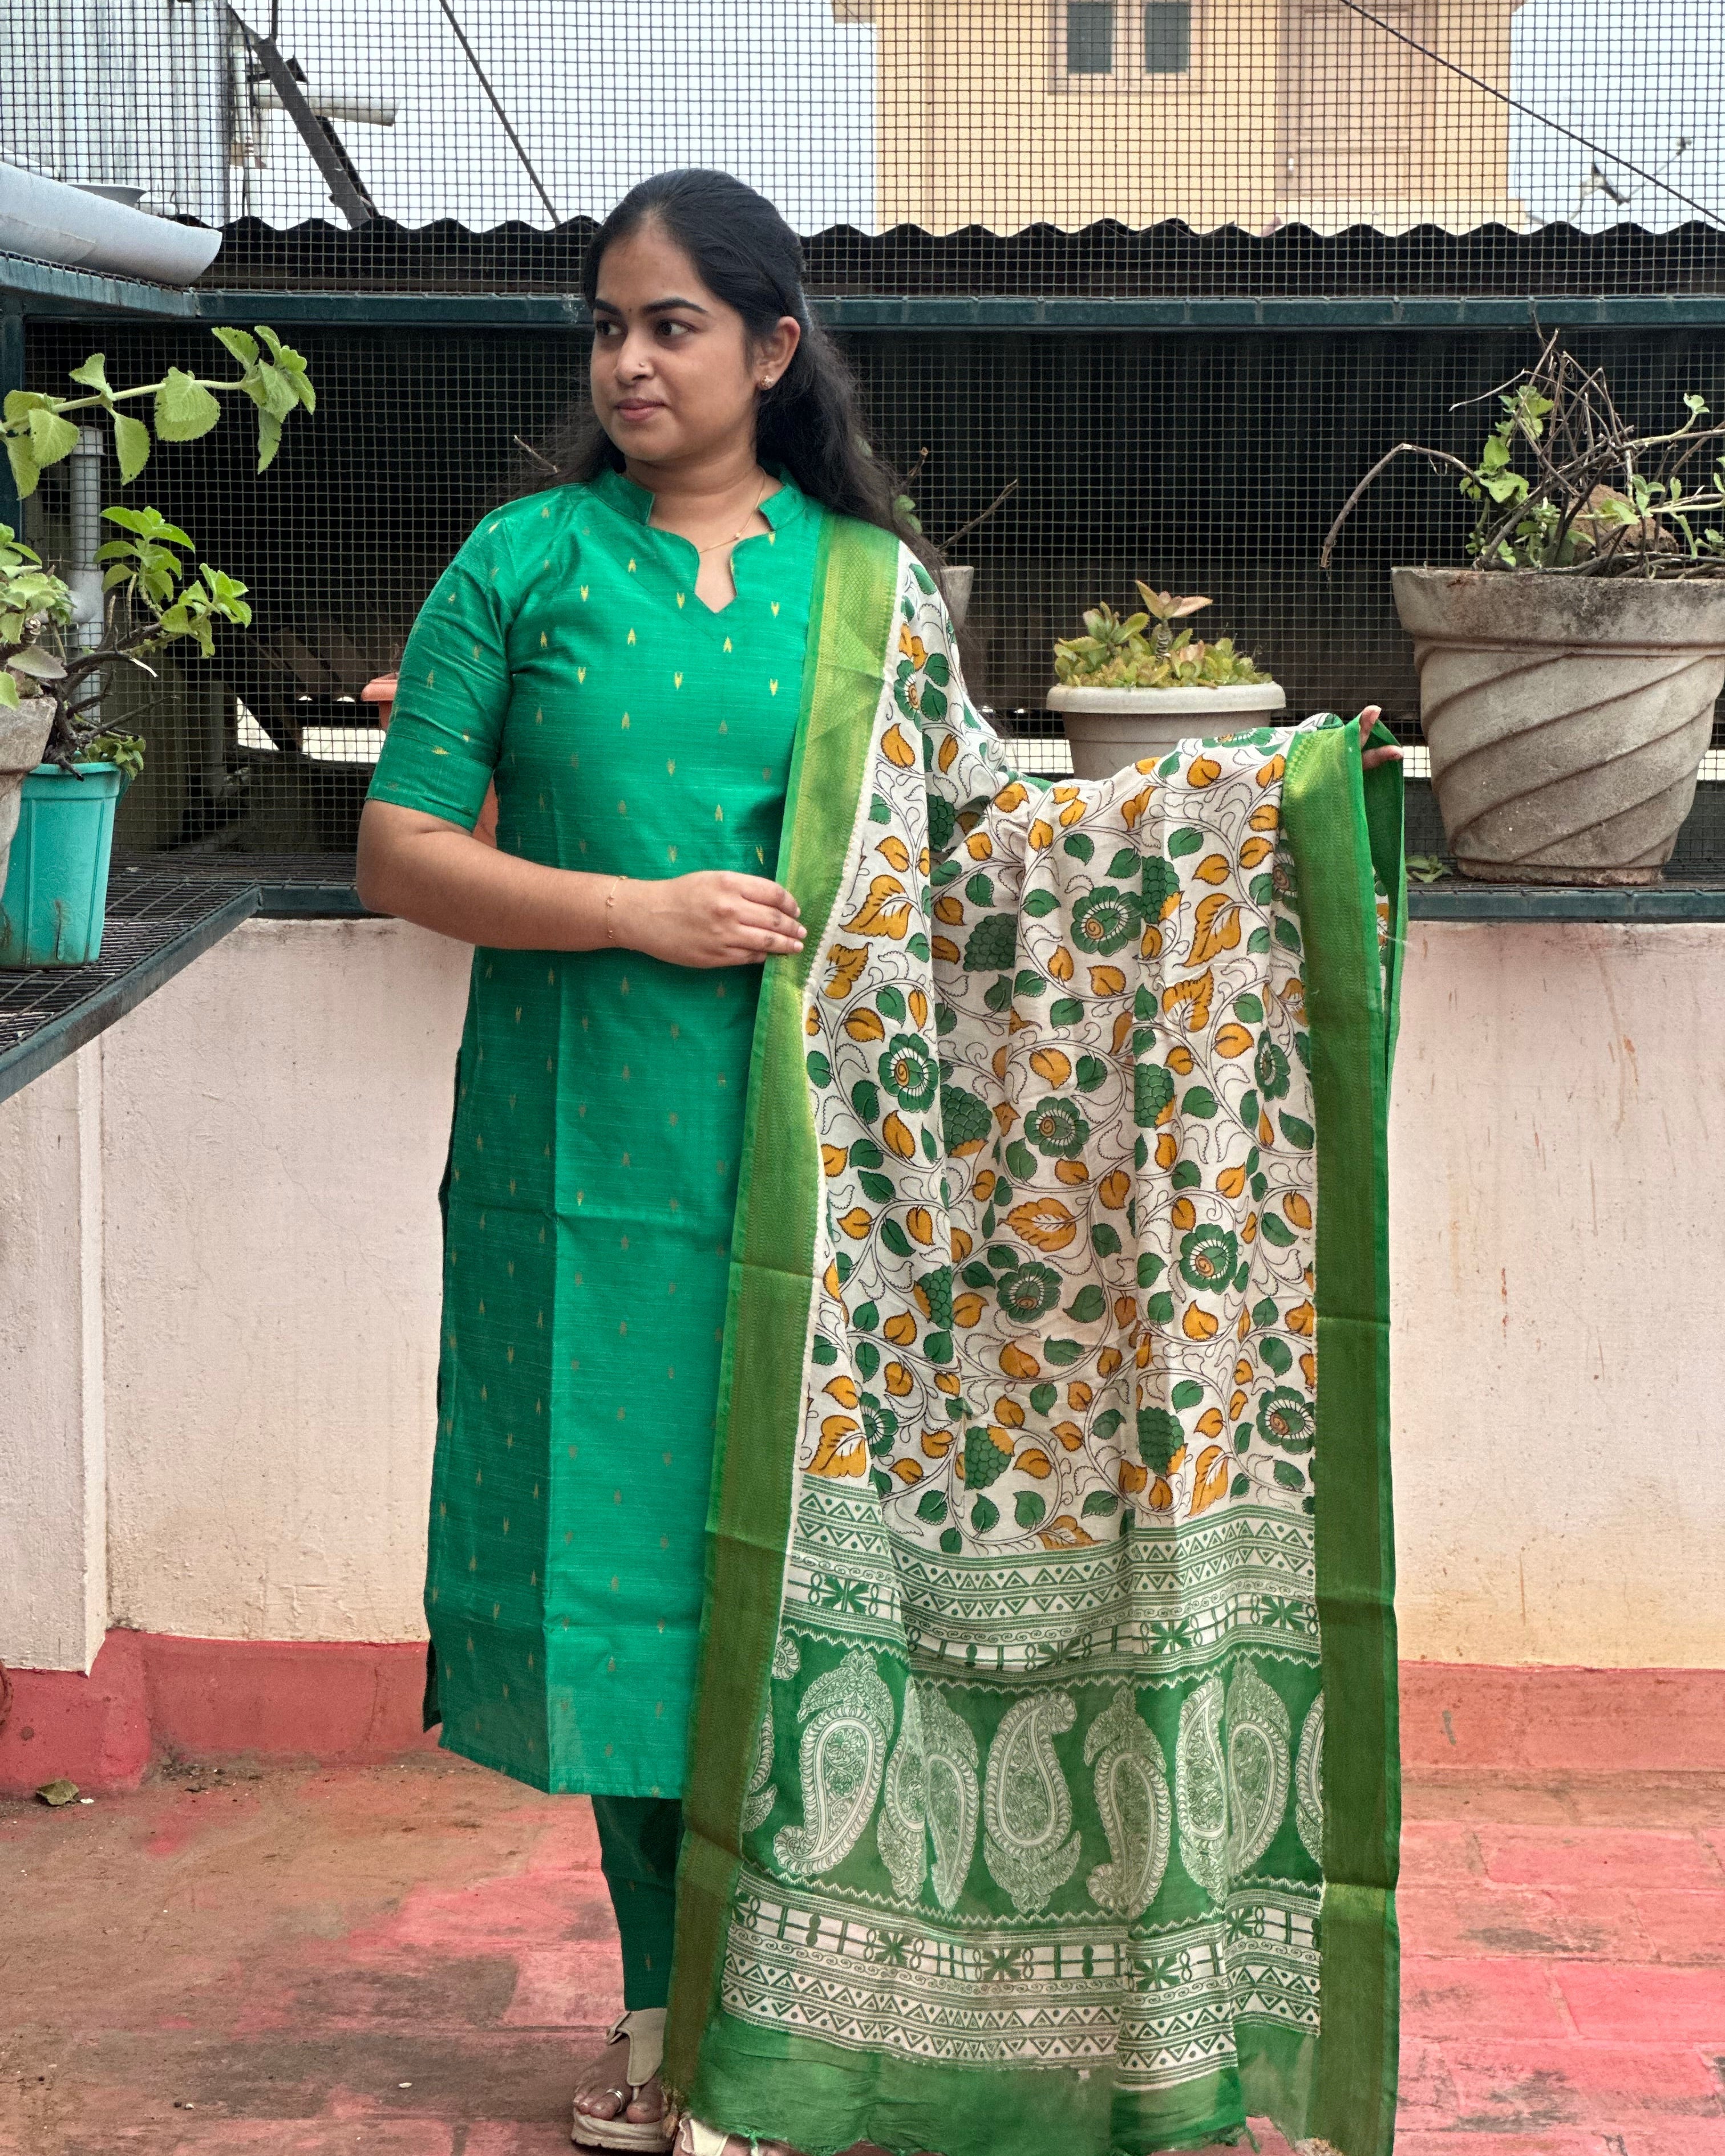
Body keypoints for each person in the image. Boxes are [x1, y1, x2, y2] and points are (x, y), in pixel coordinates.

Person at [359, 167, 1404, 2156]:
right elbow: (402, 852)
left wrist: (1263, 806)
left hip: (830, 1173)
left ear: (770, 348)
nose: (629, 359)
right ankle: (672, 2005)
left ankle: (777, 2026)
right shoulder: (522, 565)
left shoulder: (873, 588)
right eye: (606, 325)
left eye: (671, 323)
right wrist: (632, 911)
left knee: (783, 1582)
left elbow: (992, 860)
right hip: (584, 1156)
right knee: (631, 1580)